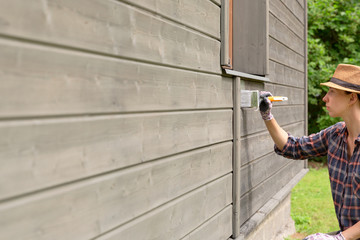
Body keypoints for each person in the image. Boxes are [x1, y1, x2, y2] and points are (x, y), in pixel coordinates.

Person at [259, 64, 360, 240]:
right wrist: (267, 115)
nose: (325, 98)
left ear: (351, 98)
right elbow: (294, 147)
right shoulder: (335, 135)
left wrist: (339, 238)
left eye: (332, 92)